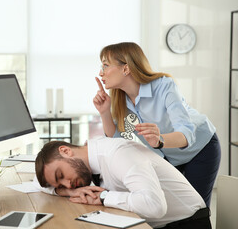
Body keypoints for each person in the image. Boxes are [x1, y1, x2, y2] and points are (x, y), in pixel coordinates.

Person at [92, 42, 220, 207]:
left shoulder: (164, 85)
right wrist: (104, 112)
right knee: (171, 208)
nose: (101, 73)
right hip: (169, 157)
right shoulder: (121, 99)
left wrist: (159, 140)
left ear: (125, 69)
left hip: (201, 148)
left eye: (105, 65)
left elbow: (187, 133)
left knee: (197, 209)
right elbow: (117, 139)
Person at [35, 138, 211, 229]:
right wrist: (68, 193)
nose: (68, 184)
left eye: (61, 175)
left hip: (187, 225)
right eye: (61, 185)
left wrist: (103, 197)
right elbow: (36, 183)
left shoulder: (117, 155)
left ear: (66, 151)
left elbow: (155, 206)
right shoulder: (89, 159)